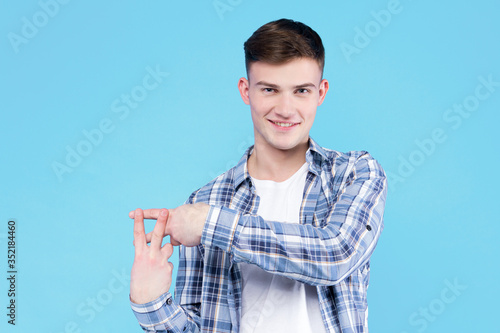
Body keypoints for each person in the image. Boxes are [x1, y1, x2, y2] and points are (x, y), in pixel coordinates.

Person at [128, 18, 387, 333]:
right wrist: (150, 303)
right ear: (245, 90)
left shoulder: (353, 174)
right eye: (270, 89)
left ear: (321, 92)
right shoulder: (206, 201)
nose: (286, 108)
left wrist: (211, 225)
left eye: (301, 91)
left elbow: (336, 254)